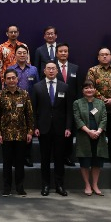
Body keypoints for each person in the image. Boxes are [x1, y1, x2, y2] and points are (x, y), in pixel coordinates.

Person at [31, 62, 72, 197]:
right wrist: (35, 127)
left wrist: (68, 127)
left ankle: (59, 185)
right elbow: (33, 110)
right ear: (44, 71)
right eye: (48, 68)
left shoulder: (64, 87)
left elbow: (68, 110)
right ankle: (46, 185)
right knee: (45, 158)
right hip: (43, 128)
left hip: (60, 128)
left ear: (57, 71)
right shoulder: (37, 87)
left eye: (53, 68)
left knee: (59, 158)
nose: (51, 71)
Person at [0, 69, 34, 197]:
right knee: (7, 163)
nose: (11, 80)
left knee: (20, 163)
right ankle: (7, 188)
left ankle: (20, 187)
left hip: (21, 134)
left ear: (17, 79)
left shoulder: (24, 94)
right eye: (8, 78)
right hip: (6, 135)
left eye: (13, 78)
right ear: (5, 80)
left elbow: (30, 115)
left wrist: (30, 132)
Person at [86, 48, 111, 166]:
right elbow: (89, 86)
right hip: (97, 107)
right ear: (98, 57)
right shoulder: (93, 70)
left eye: (107, 54)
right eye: (102, 55)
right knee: (98, 132)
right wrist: (103, 100)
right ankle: (98, 156)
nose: (104, 57)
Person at [73, 80, 108, 196]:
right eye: (86, 88)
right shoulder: (77, 103)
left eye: (91, 88)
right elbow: (77, 119)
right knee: (85, 161)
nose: (89, 90)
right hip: (84, 135)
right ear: (82, 90)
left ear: (95, 90)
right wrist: (89, 131)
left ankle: (95, 185)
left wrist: (98, 131)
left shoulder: (100, 103)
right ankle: (87, 185)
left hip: (99, 135)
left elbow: (104, 118)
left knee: (97, 161)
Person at [55, 43, 81, 166]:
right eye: (61, 51)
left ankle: (68, 156)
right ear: (56, 54)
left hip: (72, 104)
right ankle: (57, 156)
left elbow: (78, 87)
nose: (63, 53)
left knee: (69, 132)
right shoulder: (51, 67)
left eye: (65, 51)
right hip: (56, 105)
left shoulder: (75, 68)